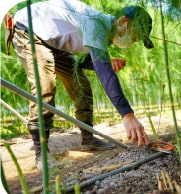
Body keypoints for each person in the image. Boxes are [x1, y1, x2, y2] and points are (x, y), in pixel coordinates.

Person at [11, 0, 153, 170]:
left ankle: (88, 138)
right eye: (134, 37)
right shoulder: (97, 23)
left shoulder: (105, 34)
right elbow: (104, 72)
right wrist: (127, 114)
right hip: (29, 31)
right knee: (45, 86)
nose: (132, 43)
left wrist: (104, 61)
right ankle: (41, 153)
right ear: (123, 22)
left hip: (53, 43)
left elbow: (86, 61)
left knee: (81, 85)